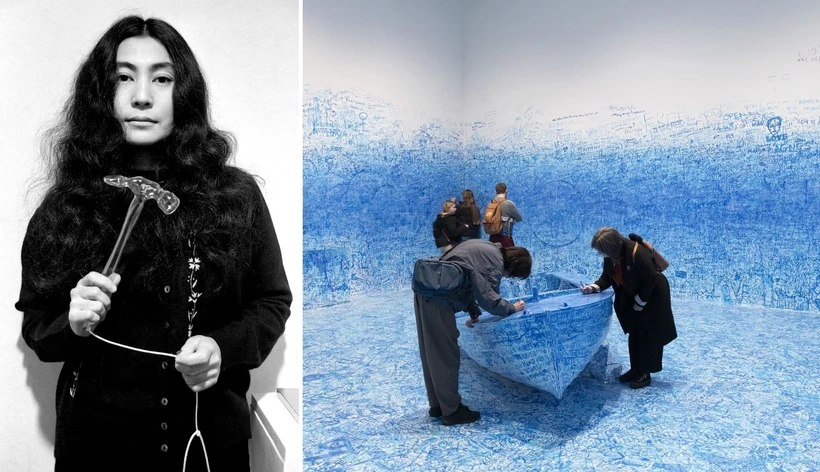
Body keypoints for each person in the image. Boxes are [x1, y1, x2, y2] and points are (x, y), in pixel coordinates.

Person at [14, 16, 292, 472]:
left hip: (207, 447)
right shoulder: (67, 203)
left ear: (183, 93)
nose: (142, 95)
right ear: (101, 93)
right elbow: (38, 327)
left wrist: (223, 347)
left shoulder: (234, 195)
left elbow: (271, 301)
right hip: (98, 448)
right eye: (124, 77)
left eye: (162, 78)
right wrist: (73, 322)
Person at [414, 239, 532, 425]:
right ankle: (451, 411)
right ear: (513, 267)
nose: (508, 278)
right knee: (446, 355)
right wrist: (512, 308)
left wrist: (474, 312)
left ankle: (438, 405)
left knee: (432, 353)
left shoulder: (487, 248)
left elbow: (467, 281)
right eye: (512, 276)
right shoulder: (494, 261)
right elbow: (489, 299)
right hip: (440, 299)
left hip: (427, 291)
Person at [580, 227, 676, 389]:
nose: (600, 254)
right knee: (635, 333)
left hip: (653, 296)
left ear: (609, 247)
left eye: (601, 251)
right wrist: (594, 287)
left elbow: (649, 281)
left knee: (648, 335)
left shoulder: (637, 253)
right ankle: (635, 369)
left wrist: (640, 304)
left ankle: (645, 372)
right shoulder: (612, 255)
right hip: (636, 295)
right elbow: (607, 276)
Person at [488, 182, 523, 247]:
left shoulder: (491, 203)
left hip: (492, 237)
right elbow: (519, 218)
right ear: (506, 190)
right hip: (505, 237)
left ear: (495, 191)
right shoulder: (508, 204)